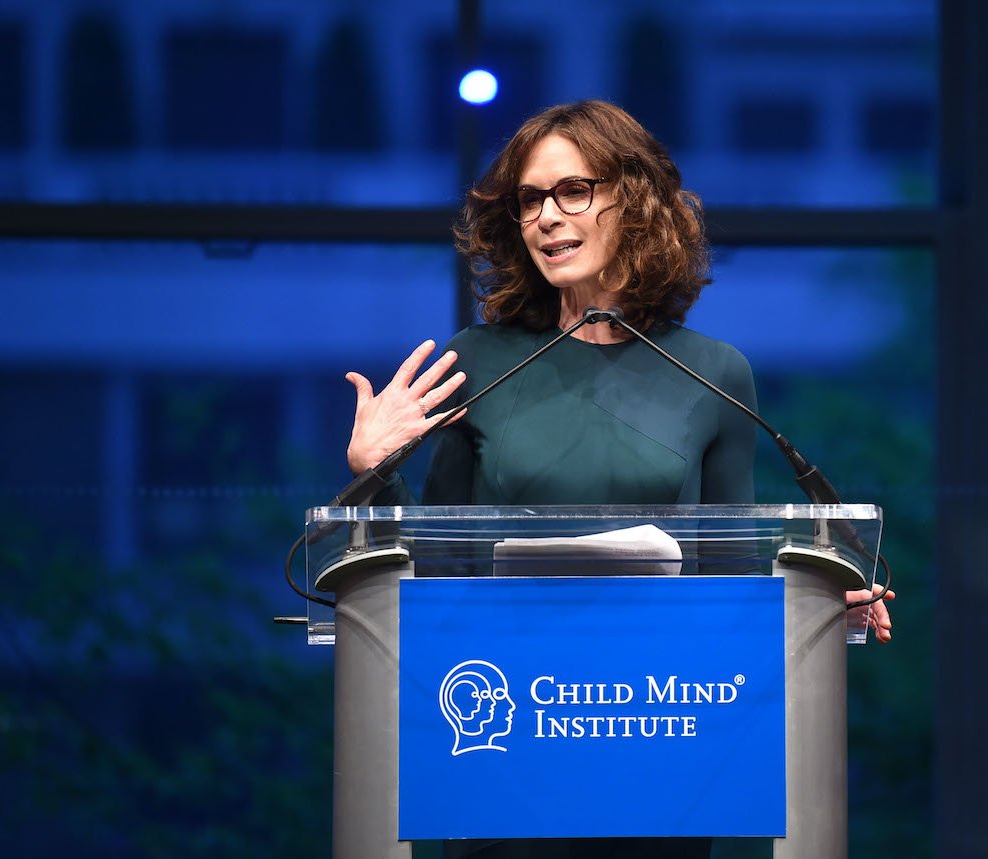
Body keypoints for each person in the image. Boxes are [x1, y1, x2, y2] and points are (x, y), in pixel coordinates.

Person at [343, 99, 893, 858]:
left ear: (631, 200)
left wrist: (817, 609)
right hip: (508, 744)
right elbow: (441, 566)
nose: (545, 216)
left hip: (657, 737)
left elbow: (725, 574)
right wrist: (375, 475)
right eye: (530, 199)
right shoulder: (480, 360)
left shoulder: (715, 373)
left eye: (572, 191)